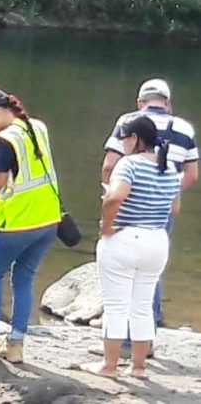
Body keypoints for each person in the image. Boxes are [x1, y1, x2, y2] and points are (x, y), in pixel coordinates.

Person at [98, 78, 197, 356]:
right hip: (160, 211)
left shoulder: (129, 121)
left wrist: (110, 202)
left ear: (141, 102)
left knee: (122, 284)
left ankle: (120, 349)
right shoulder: (185, 128)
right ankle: (145, 343)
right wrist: (162, 196)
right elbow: (191, 174)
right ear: (167, 101)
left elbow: (109, 165)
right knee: (149, 276)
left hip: (127, 214)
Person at [0, 88, 61, 364]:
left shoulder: (6, 140)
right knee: (24, 278)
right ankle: (16, 345)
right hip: (49, 219)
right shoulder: (37, 127)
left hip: (19, 220)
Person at [84, 116, 181, 379]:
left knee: (116, 305)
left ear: (135, 138)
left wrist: (106, 227)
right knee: (142, 305)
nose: (123, 143)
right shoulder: (170, 167)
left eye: (125, 138)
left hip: (126, 239)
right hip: (157, 241)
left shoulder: (128, 164)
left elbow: (114, 197)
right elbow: (175, 207)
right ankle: (138, 367)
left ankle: (109, 366)